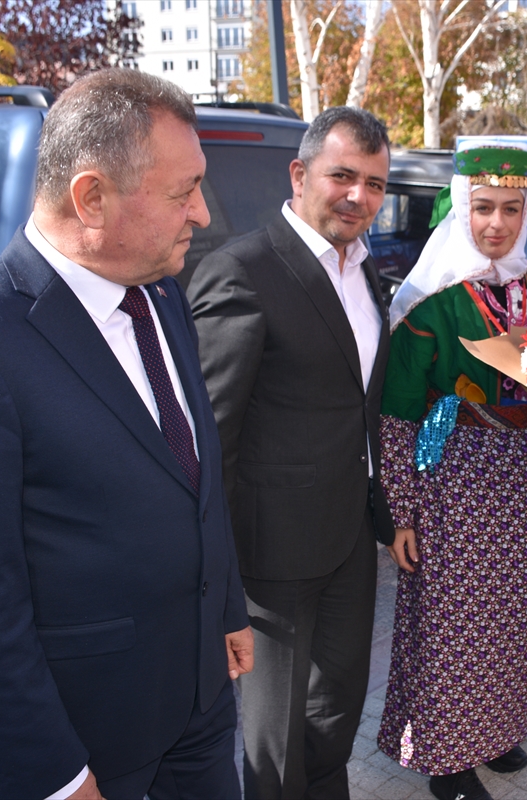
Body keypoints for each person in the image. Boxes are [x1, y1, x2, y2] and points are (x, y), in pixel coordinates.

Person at [0, 69, 252, 800]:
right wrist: (51, 773)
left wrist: (226, 606)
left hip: (201, 696)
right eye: (183, 192)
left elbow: (194, 465)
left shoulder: (162, 295)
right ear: (91, 198)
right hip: (86, 734)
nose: (204, 214)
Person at [377, 143, 527, 800]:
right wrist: (403, 513)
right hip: (458, 487)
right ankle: (447, 762)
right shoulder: (432, 304)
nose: (498, 222)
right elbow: (402, 420)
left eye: (512, 208)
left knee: (524, 623)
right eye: (484, 208)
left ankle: (499, 731)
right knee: (457, 630)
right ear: (461, 209)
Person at [186, 106, 395, 800]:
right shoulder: (240, 271)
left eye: (373, 183)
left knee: (336, 709)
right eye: (342, 176)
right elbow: (210, 438)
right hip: (270, 554)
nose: (358, 197)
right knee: (273, 738)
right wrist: (216, 578)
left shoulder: (366, 273)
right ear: (300, 173)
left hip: (349, 538)